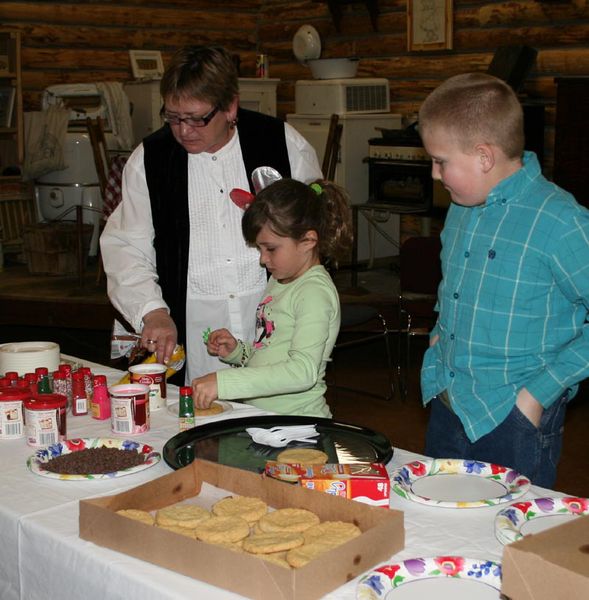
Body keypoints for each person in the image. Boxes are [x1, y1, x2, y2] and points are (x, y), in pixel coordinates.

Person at [100, 45, 322, 383]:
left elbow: (314, 230)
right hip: (192, 328)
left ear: (230, 106)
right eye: (173, 117)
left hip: (271, 319)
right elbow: (126, 246)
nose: (184, 130)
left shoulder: (281, 143)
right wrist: (153, 311)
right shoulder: (150, 159)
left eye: (197, 118)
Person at [418, 72, 589, 488]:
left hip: (513, 415)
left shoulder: (562, 222)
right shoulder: (461, 206)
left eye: (441, 162)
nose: (436, 174)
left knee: (509, 539)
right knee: (438, 522)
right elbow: (453, 284)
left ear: (483, 156)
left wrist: (537, 394)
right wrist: (439, 335)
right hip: (447, 399)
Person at [190, 178, 353, 417]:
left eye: (271, 249)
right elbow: (269, 353)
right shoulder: (278, 280)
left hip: (300, 425)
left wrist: (223, 383)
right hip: (266, 420)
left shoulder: (314, 292)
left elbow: (301, 372)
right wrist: (237, 351)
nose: (262, 259)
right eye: (259, 249)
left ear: (308, 241)